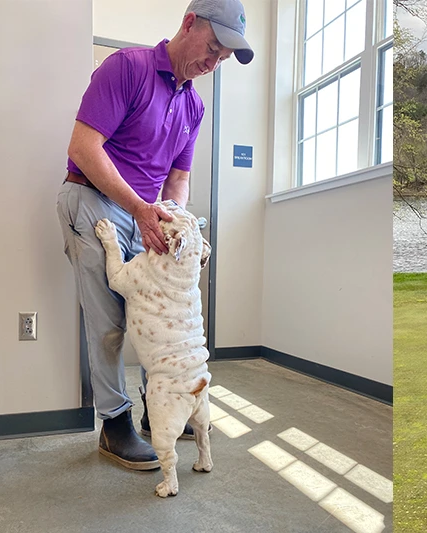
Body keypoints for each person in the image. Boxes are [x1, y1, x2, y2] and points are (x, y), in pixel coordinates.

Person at [56, 0, 253, 470]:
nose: (212, 63)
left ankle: (158, 406)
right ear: (189, 24)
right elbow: (84, 148)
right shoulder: (127, 67)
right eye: (211, 49)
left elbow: (179, 178)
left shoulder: (195, 104)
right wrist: (142, 210)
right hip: (93, 200)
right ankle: (114, 424)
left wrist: (172, 219)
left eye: (222, 59)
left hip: (147, 214)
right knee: (109, 325)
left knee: (159, 312)